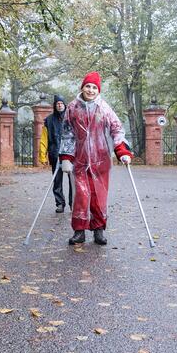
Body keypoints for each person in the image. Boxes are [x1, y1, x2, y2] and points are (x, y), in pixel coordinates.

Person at [59, 72, 132, 245]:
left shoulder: (104, 108)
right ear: (82, 87)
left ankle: (98, 230)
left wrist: (122, 151)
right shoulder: (72, 108)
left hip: (101, 160)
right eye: (88, 86)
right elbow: (67, 133)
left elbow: (117, 129)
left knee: (99, 196)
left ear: (98, 90)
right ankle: (79, 231)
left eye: (94, 87)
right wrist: (66, 157)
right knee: (81, 196)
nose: (90, 90)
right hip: (80, 159)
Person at [39, 95, 73, 213]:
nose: (59, 105)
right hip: (55, 154)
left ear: (64, 105)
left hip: (70, 154)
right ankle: (60, 204)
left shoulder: (71, 118)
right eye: (57, 103)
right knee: (57, 180)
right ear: (55, 105)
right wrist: (42, 155)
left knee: (72, 180)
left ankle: (73, 203)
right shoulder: (48, 120)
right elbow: (44, 139)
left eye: (61, 103)